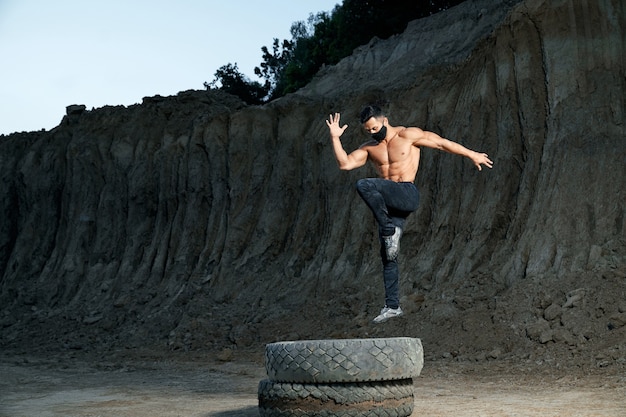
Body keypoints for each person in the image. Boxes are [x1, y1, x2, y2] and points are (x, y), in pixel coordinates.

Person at [326, 105, 493, 323]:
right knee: (388, 255)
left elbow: (442, 143)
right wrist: (335, 138)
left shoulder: (407, 135)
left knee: (364, 184)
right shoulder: (369, 148)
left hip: (407, 193)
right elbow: (345, 164)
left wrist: (472, 154)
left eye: (375, 128)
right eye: (368, 131)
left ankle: (388, 229)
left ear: (384, 120)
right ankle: (392, 306)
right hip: (389, 205)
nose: (373, 133)